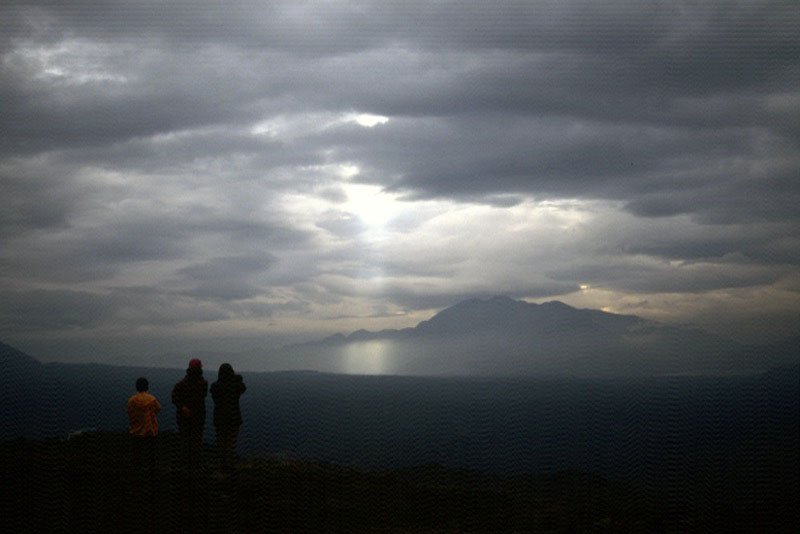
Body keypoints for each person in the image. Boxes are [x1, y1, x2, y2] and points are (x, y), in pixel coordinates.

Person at [172, 358, 208, 468]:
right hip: (198, 417)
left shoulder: (180, 384)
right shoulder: (203, 383)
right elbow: (203, 395)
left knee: (185, 440)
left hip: (183, 417)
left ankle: (184, 464)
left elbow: (174, 398)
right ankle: (196, 464)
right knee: (197, 440)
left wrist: (183, 407)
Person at [210, 363, 246, 473]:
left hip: (220, 418)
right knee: (231, 442)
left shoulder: (215, 386)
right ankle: (230, 465)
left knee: (221, 441)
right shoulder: (235, 386)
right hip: (233, 417)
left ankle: (221, 465)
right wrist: (236, 376)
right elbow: (243, 387)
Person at [127, 377, 161, 472]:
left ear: (137, 387)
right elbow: (158, 409)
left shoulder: (132, 400)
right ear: (147, 387)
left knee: (136, 452)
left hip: (136, 430)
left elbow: (129, 412)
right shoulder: (152, 399)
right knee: (151, 452)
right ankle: (151, 470)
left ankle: (136, 470)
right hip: (150, 430)